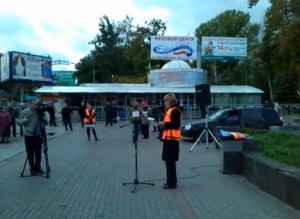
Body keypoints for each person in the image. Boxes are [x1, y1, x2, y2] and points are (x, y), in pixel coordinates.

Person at [16, 99, 48, 175]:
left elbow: (46, 121)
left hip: (38, 135)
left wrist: (42, 117)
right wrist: (23, 121)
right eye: (34, 105)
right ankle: (32, 169)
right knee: (30, 154)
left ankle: (38, 168)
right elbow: (18, 121)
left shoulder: (39, 112)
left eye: (36, 105)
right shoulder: (24, 112)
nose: (35, 106)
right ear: (30, 104)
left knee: (38, 153)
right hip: (28, 135)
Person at [159, 93, 182, 189]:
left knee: (170, 161)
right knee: (168, 161)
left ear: (171, 101)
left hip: (172, 139)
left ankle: (172, 183)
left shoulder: (175, 110)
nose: (165, 103)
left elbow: (176, 124)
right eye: (164, 101)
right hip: (168, 138)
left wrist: (165, 124)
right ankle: (170, 181)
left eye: (166, 101)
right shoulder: (168, 110)